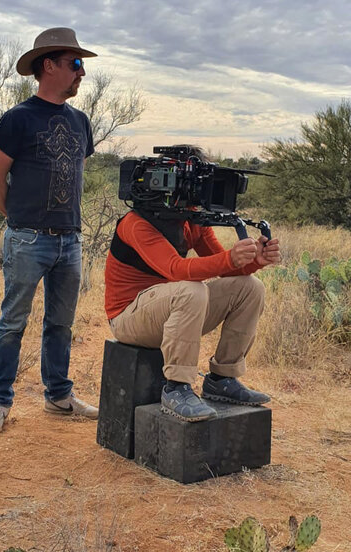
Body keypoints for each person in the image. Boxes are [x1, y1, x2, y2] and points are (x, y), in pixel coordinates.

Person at [0, 28, 100, 435]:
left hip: (71, 239)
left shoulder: (81, 121)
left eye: (82, 65)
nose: (82, 73)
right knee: (13, 322)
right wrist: (18, 220)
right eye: (75, 64)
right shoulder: (17, 119)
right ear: (49, 66)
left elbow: (77, 173)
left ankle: (58, 395)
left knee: (61, 323)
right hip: (29, 238)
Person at [105, 147, 282, 421]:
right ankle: (176, 387)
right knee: (191, 288)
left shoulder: (191, 221)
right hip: (128, 318)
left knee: (250, 287)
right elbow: (176, 270)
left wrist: (256, 260)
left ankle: (222, 378)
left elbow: (225, 266)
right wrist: (230, 258)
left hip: (168, 309)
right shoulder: (135, 223)